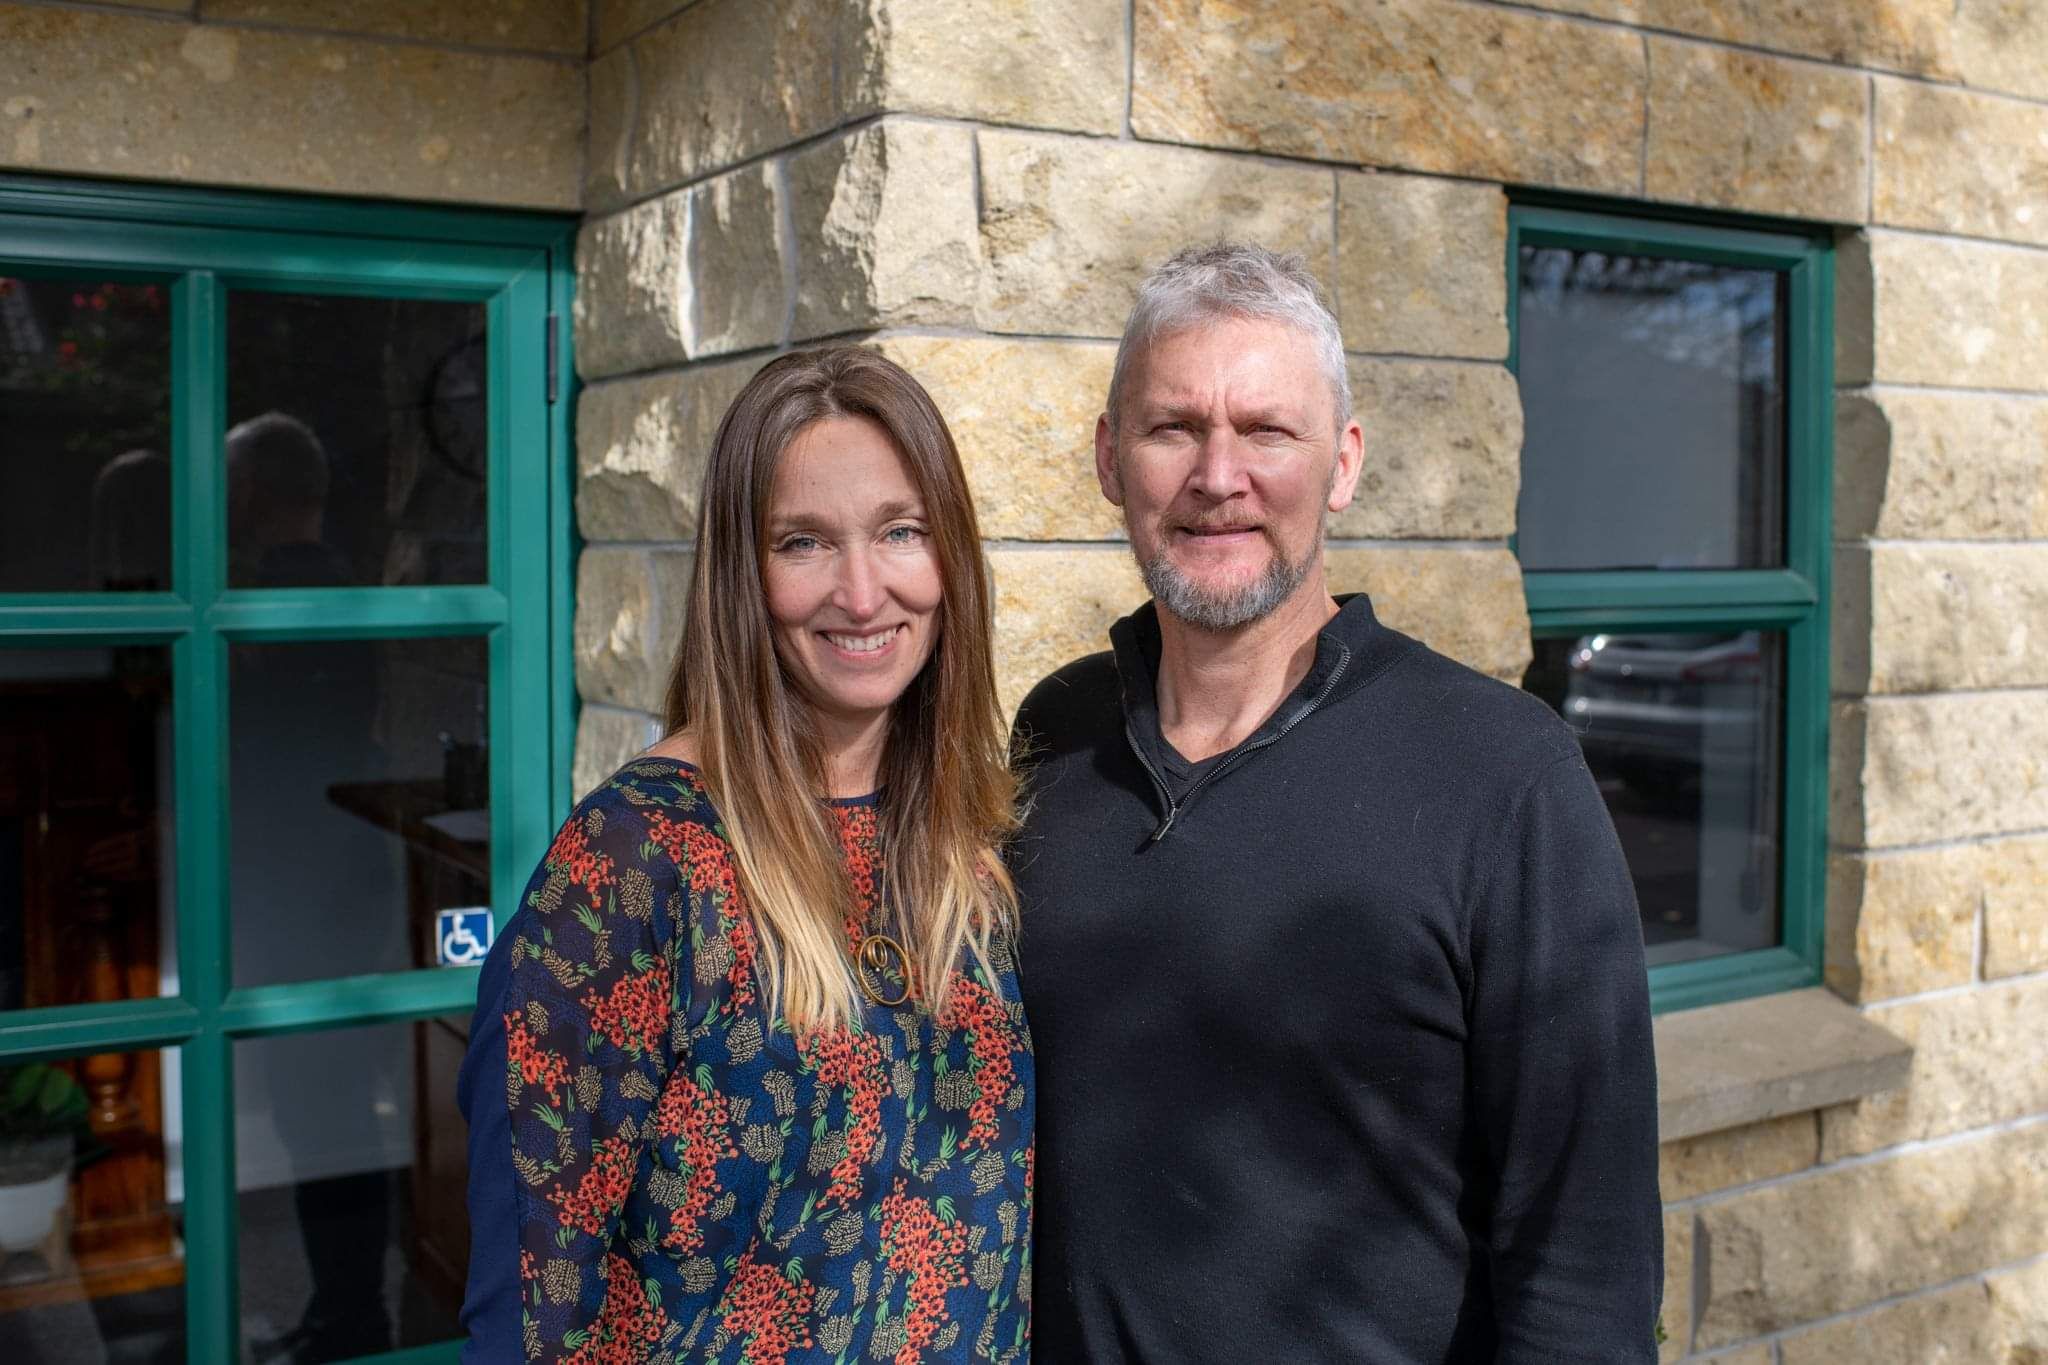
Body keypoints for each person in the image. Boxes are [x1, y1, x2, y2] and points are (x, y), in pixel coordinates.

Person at [1010, 243, 1662, 1362]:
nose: (1219, 477)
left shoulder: (1502, 778)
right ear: (1110, 459)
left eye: (1267, 430)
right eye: (1174, 428)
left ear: (1343, 464)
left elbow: (1582, 1262)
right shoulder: (1054, 735)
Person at [458, 347, 1034, 1363]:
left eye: (900, 532)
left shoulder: (967, 831)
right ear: (740, 574)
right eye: (803, 543)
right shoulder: (638, 856)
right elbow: (533, 1285)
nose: (862, 593)